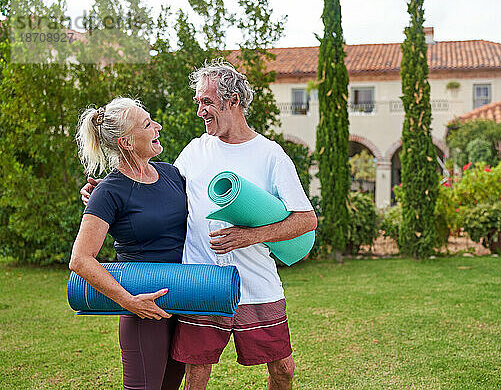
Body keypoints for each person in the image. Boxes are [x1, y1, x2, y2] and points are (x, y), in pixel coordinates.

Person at [82, 60, 317, 390]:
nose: (200, 111)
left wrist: (251, 236)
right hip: (200, 282)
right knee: (197, 372)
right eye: (198, 103)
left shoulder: (270, 154)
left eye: (206, 102)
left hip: (258, 283)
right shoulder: (194, 151)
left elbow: (306, 220)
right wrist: (100, 197)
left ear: (232, 100)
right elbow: (154, 193)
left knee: (284, 369)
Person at [70, 97, 186, 390]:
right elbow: (80, 259)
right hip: (142, 306)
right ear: (127, 142)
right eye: (147, 124)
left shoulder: (172, 174)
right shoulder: (108, 191)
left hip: (186, 297)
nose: (157, 126)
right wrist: (128, 301)